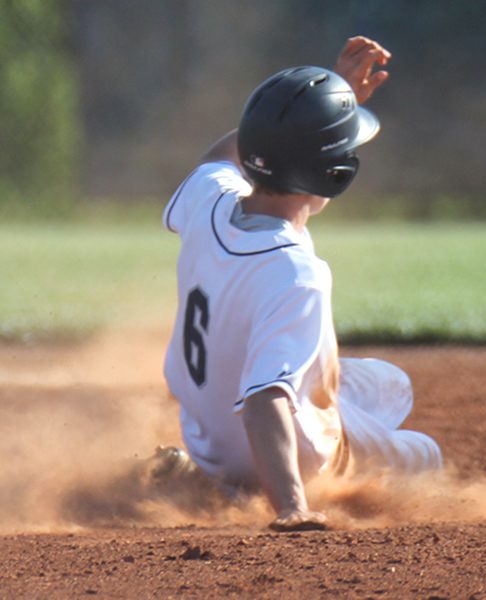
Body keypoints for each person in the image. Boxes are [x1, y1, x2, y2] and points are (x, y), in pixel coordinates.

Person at [161, 37, 443, 532]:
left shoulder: (210, 200)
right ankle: (236, 489)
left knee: (389, 386)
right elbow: (264, 401)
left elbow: (215, 160)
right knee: (425, 455)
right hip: (268, 458)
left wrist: (322, 103)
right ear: (334, 173)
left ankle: (207, 472)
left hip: (203, 434)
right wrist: (292, 505)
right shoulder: (296, 273)